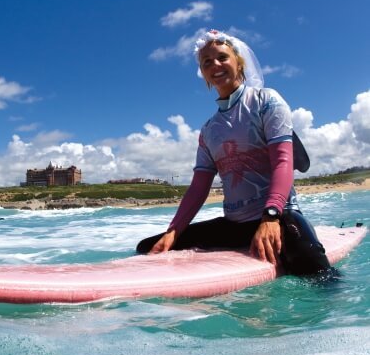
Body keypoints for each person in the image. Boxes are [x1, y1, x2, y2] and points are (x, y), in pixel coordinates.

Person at [136, 30, 330, 275]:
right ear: (204, 74)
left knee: (318, 273)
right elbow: (198, 187)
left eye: (222, 57)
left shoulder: (266, 101)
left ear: (239, 63)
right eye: (207, 62)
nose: (215, 65)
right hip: (235, 225)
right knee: (146, 247)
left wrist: (270, 217)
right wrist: (173, 231)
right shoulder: (208, 130)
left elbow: (283, 161)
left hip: (280, 216)